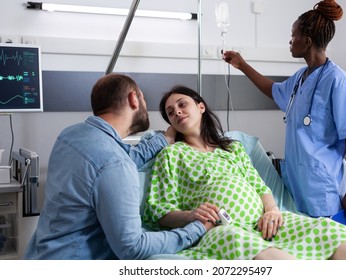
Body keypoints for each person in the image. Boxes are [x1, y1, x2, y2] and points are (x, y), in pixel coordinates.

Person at [143, 85, 346, 260]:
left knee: (325, 230)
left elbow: (259, 186)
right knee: (250, 247)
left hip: (264, 222)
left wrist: (272, 211)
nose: (176, 112)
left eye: (182, 104)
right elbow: (160, 212)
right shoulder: (171, 155)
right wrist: (191, 216)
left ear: (201, 106)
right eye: (170, 112)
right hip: (219, 229)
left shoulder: (232, 148)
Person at [24, 74, 214, 260]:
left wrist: (162, 140)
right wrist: (195, 230)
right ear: (134, 99)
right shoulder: (116, 164)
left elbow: (119, 160)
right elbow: (133, 248)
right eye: (143, 99)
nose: (176, 113)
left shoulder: (69, 135)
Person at [223, 0, 346, 219]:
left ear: (306, 41)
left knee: (327, 245)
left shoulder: (338, 80)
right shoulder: (300, 78)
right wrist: (242, 65)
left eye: (293, 35)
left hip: (323, 186)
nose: (290, 40)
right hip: (297, 182)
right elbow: (273, 90)